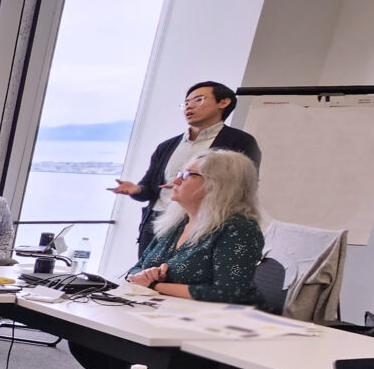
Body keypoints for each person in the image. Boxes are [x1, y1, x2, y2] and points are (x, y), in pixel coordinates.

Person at [70, 151, 265, 369]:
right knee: (85, 338)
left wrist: (154, 286)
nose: (176, 180)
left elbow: (228, 293)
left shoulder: (238, 229)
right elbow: (137, 268)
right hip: (162, 314)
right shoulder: (177, 221)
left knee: (124, 350)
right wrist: (140, 278)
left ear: (217, 184)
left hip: (212, 328)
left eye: (188, 174)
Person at [110, 81, 263, 257]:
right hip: (157, 223)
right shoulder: (167, 146)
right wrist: (136, 189)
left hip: (201, 225)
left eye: (198, 100)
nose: (189, 106)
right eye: (186, 102)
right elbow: (150, 190)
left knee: (178, 279)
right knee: (142, 278)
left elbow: (242, 189)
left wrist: (192, 188)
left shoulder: (240, 142)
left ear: (223, 102)